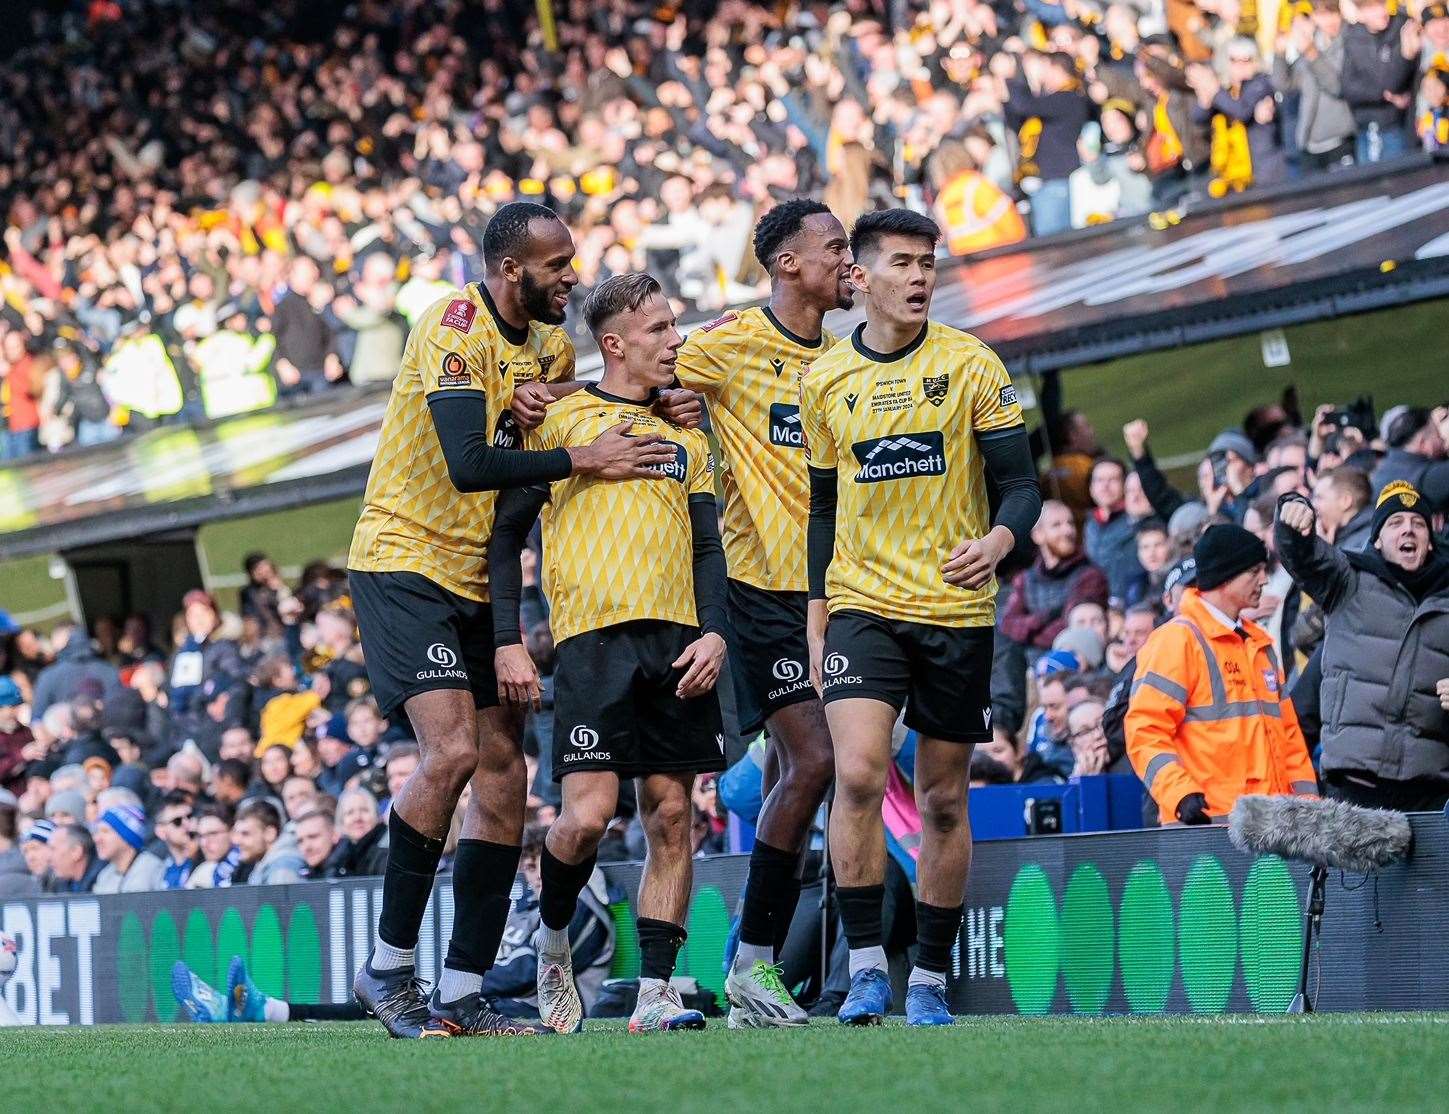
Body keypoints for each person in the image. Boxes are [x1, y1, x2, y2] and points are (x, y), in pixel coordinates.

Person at [345, 202, 682, 1039]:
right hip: (402, 558)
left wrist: (586, 396)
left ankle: (461, 989)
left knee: (505, 776)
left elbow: (531, 416)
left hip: (474, 575)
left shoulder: (546, 343)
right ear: (510, 272)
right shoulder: (452, 328)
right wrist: (585, 455)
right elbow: (468, 465)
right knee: (453, 751)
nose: (572, 274)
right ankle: (387, 969)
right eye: (557, 264)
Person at [800, 209, 1040, 1026]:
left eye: (927, 264)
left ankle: (930, 978)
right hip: (863, 602)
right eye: (900, 263)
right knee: (859, 773)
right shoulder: (824, 379)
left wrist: (1000, 539)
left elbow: (1021, 486)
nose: (918, 278)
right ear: (859, 277)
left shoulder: (971, 365)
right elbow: (823, 506)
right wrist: (816, 604)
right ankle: (867, 967)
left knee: (942, 799)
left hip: (954, 606)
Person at [489, 272, 728, 1035]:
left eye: (673, 325)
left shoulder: (687, 431)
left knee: (669, 814)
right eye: (658, 329)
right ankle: (553, 946)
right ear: (616, 343)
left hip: (679, 641)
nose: (674, 340)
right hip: (592, 643)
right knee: (585, 819)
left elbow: (706, 545)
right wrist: (506, 637)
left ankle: (657, 994)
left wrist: (716, 630)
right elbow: (504, 534)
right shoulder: (564, 424)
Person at [672, 198, 853, 1028]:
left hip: (831, 594)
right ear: (787, 265)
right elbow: (637, 367)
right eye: (836, 248)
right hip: (757, 592)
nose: (849, 263)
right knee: (812, 760)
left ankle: (750, 970)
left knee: (797, 768)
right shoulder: (731, 342)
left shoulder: (847, 358)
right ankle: (751, 967)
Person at [1126, 525, 1317, 824]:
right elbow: (1145, 730)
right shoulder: (1178, 640)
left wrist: (1309, 813)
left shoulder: (1259, 644)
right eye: (1254, 571)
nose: (1264, 580)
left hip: (1272, 827)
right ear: (1226, 577)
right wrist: (1179, 795)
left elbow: (1289, 739)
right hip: (1206, 827)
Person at [1276, 483, 1449, 810]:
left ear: (1429, 541)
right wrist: (1293, 513)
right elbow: (1302, 554)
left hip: (1430, 794)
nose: (1408, 530)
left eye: (1418, 524)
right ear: (1378, 539)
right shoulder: (1348, 578)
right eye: (1395, 523)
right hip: (1355, 789)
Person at [31, 623, 123, 719]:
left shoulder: (48, 676)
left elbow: (37, 719)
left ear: (60, 645)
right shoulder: (108, 669)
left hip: (66, 732)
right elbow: (121, 708)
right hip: (110, 731)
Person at [1372, 407, 1449, 512]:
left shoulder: (1384, 468)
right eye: (1438, 435)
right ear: (1423, 443)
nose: (1442, 439)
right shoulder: (1425, 478)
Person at [92, 803, 167, 893]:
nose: (96, 839)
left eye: (105, 831)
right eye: (98, 832)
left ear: (127, 837)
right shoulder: (105, 874)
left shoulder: (150, 867)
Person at [231, 799, 305, 886]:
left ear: (269, 834)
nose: (237, 841)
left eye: (245, 834)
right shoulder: (268, 863)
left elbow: (279, 899)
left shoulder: (282, 866)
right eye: (236, 833)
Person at [1311, 465, 1374, 551]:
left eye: (1319, 498)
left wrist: (1324, 552)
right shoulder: (1349, 536)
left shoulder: (1363, 545)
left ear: (1345, 501)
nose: (1312, 504)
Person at [154, 791, 200, 889]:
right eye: (177, 821)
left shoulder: (207, 858)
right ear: (161, 832)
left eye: (189, 816)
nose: (187, 823)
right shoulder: (159, 872)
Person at [46, 821, 103, 893]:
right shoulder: (58, 883)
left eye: (53, 849)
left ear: (76, 851)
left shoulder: (104, 881)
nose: (48, 858)